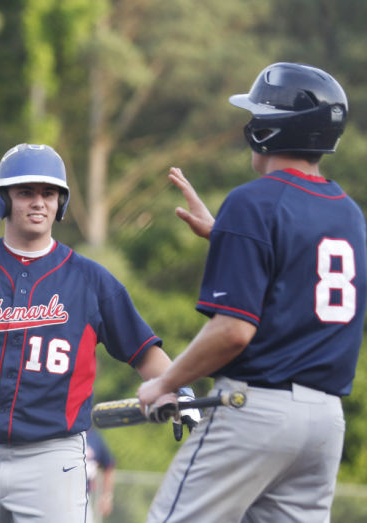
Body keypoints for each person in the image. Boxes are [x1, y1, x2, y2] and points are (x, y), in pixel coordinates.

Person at [137, 62, 367, 522]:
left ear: (267, 130)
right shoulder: (349, 214)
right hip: (324, 423)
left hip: (256, 409)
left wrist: (167, 382)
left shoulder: (253, 200)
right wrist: (227, 235)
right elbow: (297, 277)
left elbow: (234, 332)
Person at [0, 142, 182, 522]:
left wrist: (180, 385)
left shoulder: (91, 280)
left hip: (53, 457)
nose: (39, 202)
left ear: (61, 202)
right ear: (3, 200)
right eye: (25, 192)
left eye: (49, 193)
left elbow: (143, 351)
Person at [85, 428, 117, 522]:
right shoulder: (64, 432)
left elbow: (109, 465)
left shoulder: (95, 438)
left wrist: (107, 496)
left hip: (85, 497)